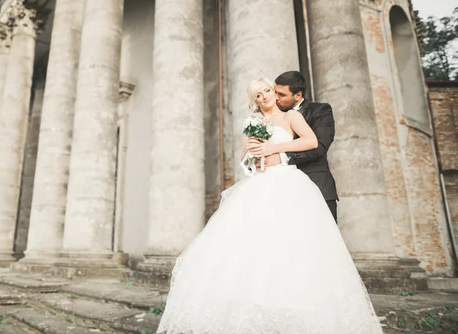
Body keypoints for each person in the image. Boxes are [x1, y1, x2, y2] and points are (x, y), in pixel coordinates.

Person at [156, 78, 382, 334]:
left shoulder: (291, 117)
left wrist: (274, 148)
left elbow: (310, 142)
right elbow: (246, 158)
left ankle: (297, 309)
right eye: (258, 94)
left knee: (292, 243)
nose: (264, 96)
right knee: (256, 244)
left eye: (267, 91)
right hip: (260, 184)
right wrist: (254, 156)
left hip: (288, 182)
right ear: (254, 100)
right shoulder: (253, 123)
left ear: (274, 94)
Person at [247, 71, 339, 222]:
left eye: (281, 95)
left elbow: (319, 147)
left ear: (297, 95)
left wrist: (280, 157)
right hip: (279, 189)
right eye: (274, 92)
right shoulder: (269, 118)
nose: (275, 97)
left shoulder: (320, 111)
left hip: (316, 184)